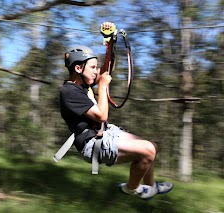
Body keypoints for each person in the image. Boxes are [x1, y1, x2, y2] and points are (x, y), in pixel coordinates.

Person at [59, 22, 173, 200]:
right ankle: (131, 188)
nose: (97, 71)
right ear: (78, 68)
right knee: (148, 150)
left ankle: (151, 187)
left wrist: (110, 42)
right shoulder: (69, 91)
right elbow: (102, 114)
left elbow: (107, 70)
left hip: (104, 132)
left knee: (152, 147)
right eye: (93, 68)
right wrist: (103, 86)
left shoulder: (83, 83)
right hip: (92, 144)